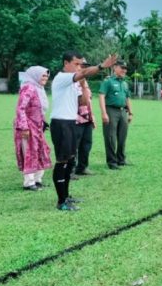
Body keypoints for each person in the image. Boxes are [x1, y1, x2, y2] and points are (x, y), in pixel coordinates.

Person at [50, 51, 117, 210]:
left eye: (81, 64)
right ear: (66, 63)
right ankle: (61, 202)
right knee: (62, 162)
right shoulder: (62, 77)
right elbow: (86, 72)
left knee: (70, 161)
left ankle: (66, 196)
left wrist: (82, 85)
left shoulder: (74, 82)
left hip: (71, 122)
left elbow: (84, 102)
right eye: (76, 64)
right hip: (61, 124)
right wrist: (101, 66)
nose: (79, 67)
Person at [13, 66, 52, 191]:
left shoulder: (39, 89)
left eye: (46, 76)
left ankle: (37, 180)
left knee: (41, 151)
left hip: (38, 126)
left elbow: (40, 109)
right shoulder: (28, 87)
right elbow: (20, 108)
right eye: (43, 75)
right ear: (35, 75)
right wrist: (24, 127)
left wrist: (44, 122)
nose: (45, 78)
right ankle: (29, 183)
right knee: (29, 152)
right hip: (28, 126)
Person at [99, 60, 133, 170]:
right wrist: (104, 113)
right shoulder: (108, 81)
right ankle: (112, 162)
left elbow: (127, 98)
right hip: (111, 110)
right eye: (122, 68)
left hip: (123, 111)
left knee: (122, 137)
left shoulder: (124, 83)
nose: (124, 70)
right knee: (110, 137)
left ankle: (121, 160)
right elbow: (101, 96)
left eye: (125, 68)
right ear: (115, 67)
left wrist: (130, 112)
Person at [71, 59, 96, 177]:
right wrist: (83, 86)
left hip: (86, 118)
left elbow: (89, 103)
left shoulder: (84, 82)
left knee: (86, 144)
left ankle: (82, 167)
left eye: (86, 66)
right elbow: (83, 101)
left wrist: (92, 117)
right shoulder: (72, 82)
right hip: (75, 119)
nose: (84, 68)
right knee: (73, 146)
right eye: (82, 66)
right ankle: (70, 170)